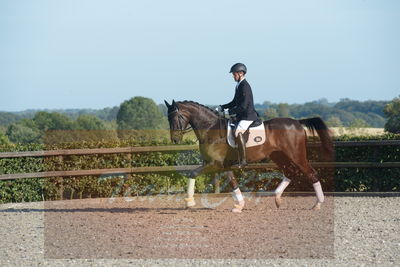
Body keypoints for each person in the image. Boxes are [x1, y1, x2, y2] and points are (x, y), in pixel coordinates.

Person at [217, 63, 259, 167]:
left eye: (234, 74)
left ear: (241, 73)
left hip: (247, 116)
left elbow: (243, 106)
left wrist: (229, 112)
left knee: (237, 132)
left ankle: (243, 161)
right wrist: (222, 107)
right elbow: (235, 102)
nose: (233, 76)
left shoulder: (245, 86)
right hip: (241, 116)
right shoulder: (239, 85)